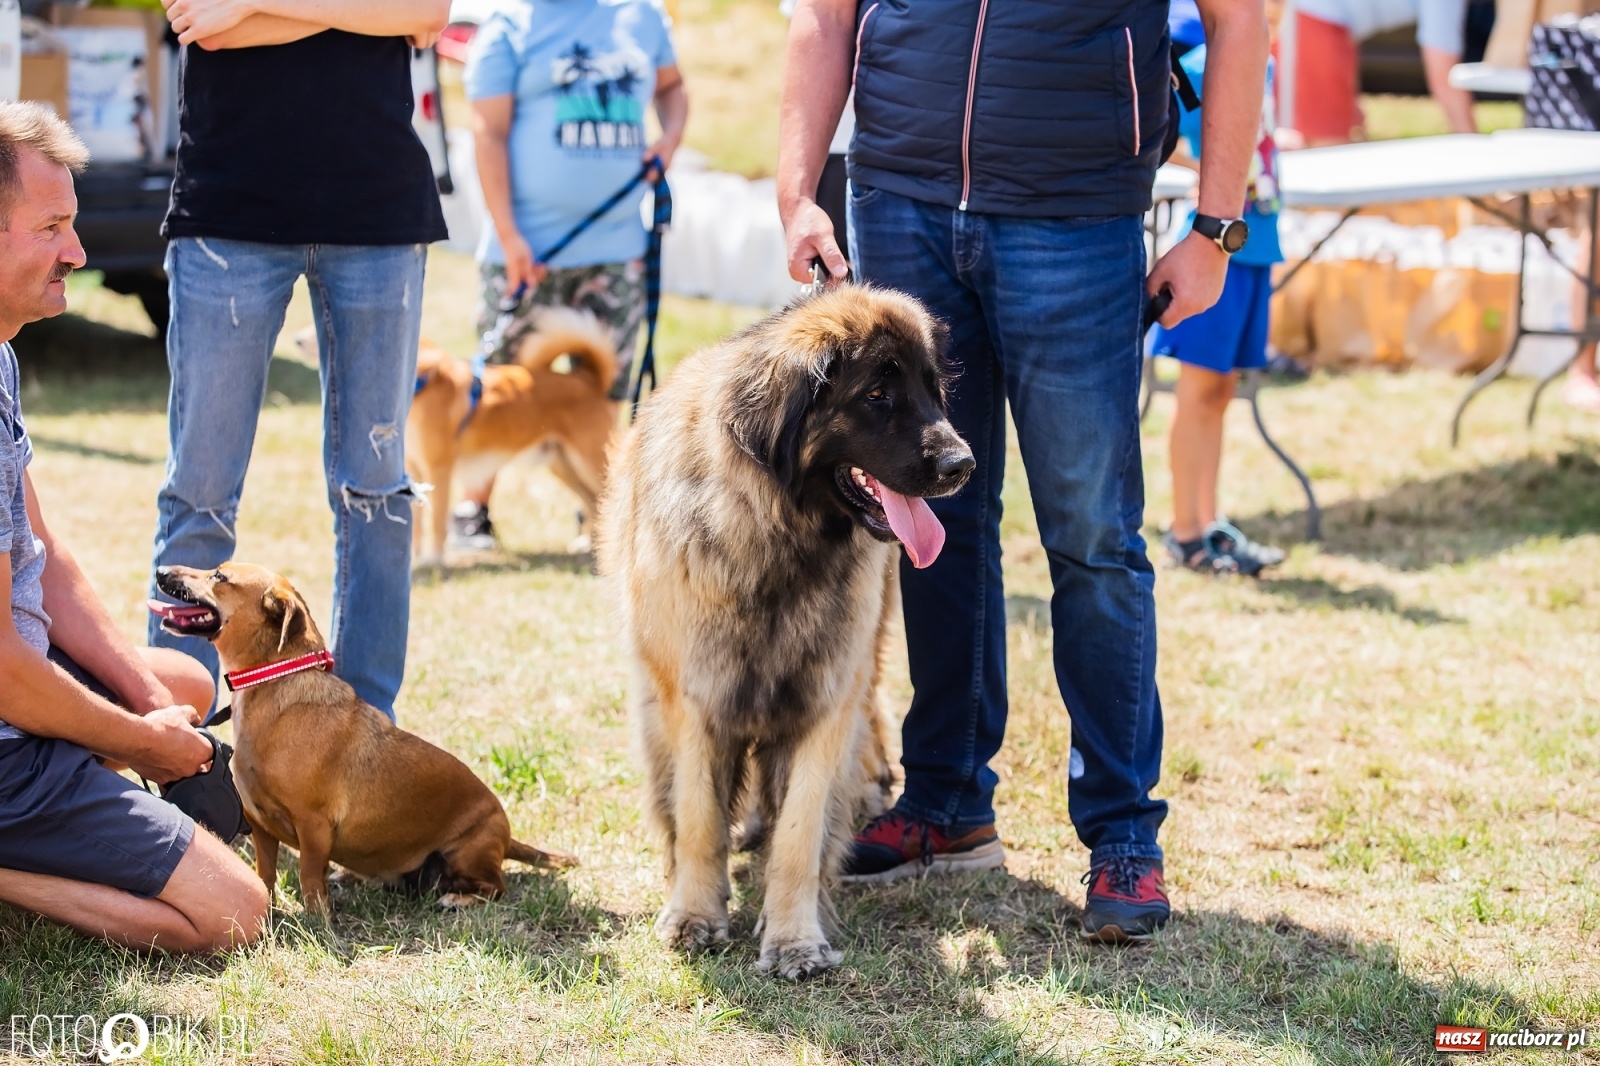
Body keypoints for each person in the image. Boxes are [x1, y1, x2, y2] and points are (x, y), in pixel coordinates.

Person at [778, 0, 1268, 941]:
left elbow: (1241, 19)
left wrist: (1216, 227)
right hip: (900, 201)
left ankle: (1123, 834)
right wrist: (800, 190)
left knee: (1091, 533)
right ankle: (948, 802)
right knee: (931, 518)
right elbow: (823, 14)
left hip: (1075, 218)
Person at [0, 102, 267, 953]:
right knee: (237, 913)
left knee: (184, 691)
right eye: (52, 227)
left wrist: (150, 706)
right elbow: (4, 675)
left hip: (16, 687)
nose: (77, 253)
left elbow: (46, 557)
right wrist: (136, 744)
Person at [147, 0, 451, 719]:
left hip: (377, 210)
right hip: (229, 214)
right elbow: (202, 22)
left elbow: (427, 10)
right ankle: (179, 738)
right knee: (199, 493)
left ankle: (369, 729)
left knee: (376, 493)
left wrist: (252, 1)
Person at [452, 0, 687, 551]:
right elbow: (487, 133)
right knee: (500, 385)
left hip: (618, 248)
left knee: (606, 391)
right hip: (528, 252)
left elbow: (673, 88)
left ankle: (598, 516)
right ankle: (474, 508)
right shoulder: (507, 28)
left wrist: (669, 137)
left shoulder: (642, 16)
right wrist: (510, 237)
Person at [1155, 5, 1288, 576]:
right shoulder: (1209, 60)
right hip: (1212, 246)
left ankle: (1208, 521)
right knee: (1200, 389)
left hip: (1256, 242)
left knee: (1221, 390)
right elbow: (1170, 135)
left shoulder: (1266, 61)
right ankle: (1186, 531)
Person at [1283, 0, 1474, 146]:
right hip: (1313, 20)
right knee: (1330, 156)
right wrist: (1475, 151)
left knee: (1340, 136)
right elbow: (1445, 78)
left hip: (1311, 19)